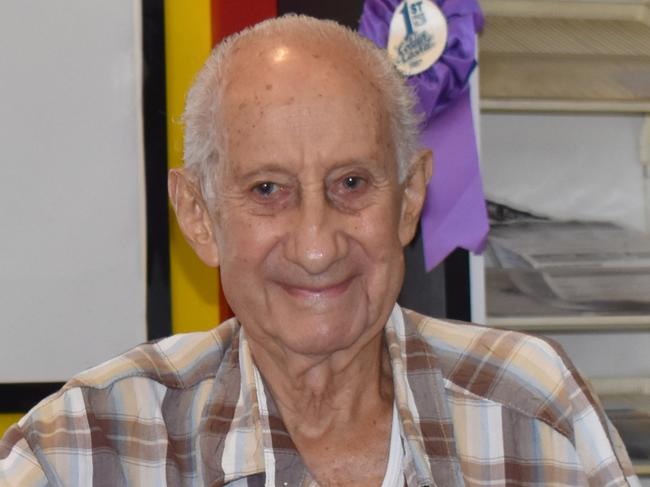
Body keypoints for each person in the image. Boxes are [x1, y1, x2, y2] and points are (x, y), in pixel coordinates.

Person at [0, 15, 640, 487]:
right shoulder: (84, 446)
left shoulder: (533, 408)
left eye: (352, 184)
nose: (314, 247)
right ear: (198, 214)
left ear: (411, 197)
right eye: (268, 189)